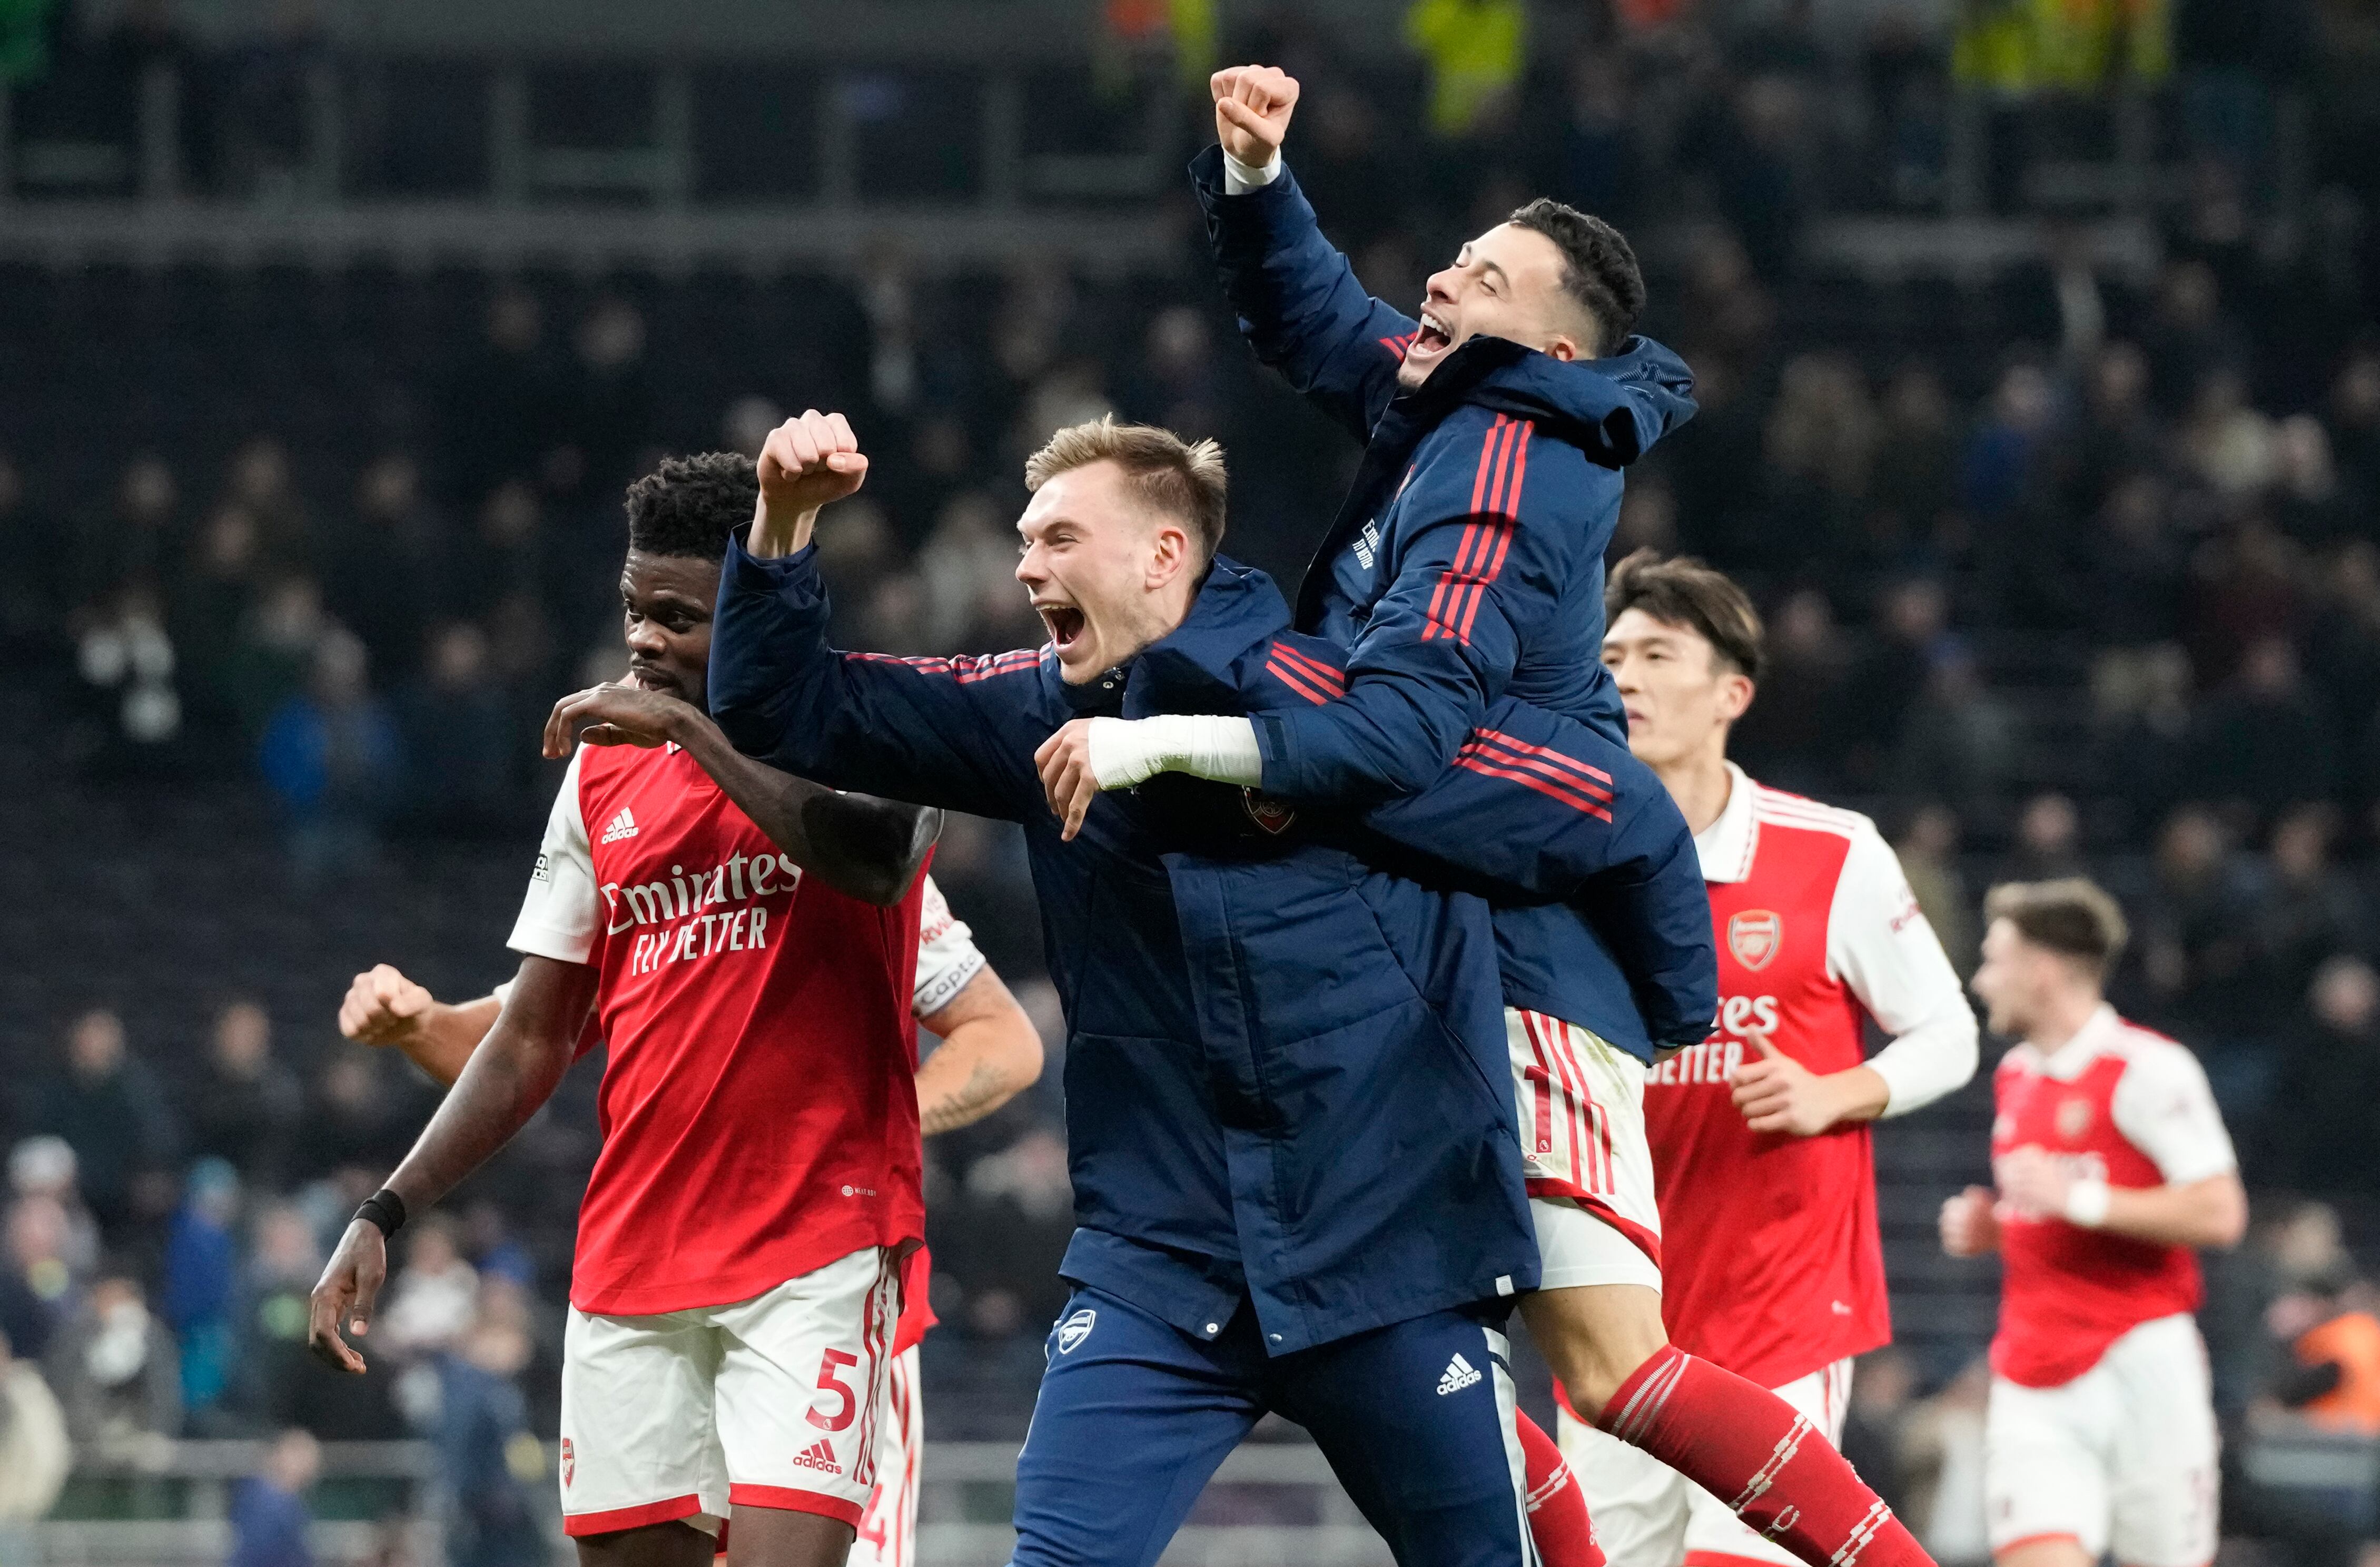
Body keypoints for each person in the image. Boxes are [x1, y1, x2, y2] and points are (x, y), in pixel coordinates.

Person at [703, 409, 1928, 1565]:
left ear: (1162, 552)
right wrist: (777, 533)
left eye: (1059, 537)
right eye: (1025, 540)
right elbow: (780, 702)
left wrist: (1665, 1016)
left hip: (1385, 1264)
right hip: (1161, 1266)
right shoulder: (1032, 707)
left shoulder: (1362, 712)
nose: (1026, 566)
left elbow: (1614, 814)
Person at [1047, 64, 1934, 1567]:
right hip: (1444, 944)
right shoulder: (1455, 402)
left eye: (1488, 276)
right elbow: (1321, 320)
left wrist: (1196, 745)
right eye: (1459, 259)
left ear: (1557, 341)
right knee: (1417, 1349)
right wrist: (1259, 176)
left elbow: (1408, 728)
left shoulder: (1510, 462)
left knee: (1610, 1365)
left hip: (1527, 960)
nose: (1444, 277)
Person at [306, 452, 961, 1567]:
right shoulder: (600, 775)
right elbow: (532, 1038)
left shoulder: (865, 713)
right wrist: (385, 1210)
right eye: (631, 610)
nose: (645, 640)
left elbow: (882, 859)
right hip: (634, 1259)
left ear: (756, 609)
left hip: (816, 1249)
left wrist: (694, 737)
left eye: (679, 616)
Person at [336, 876, 1041, 1567]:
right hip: (666, 1307)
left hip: (828, 1300)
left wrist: (858, 1133)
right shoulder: (640, 857)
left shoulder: (840, 838)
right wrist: (418, 1024)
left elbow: (1004, 1037)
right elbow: (503, 1049)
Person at [1565, 551, 1979, 1563]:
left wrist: (1839, 1090)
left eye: (1658, 654)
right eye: (1611, 654)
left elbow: (1950, 1033)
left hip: (1780, 1314)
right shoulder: (1562, 859)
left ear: (1731, 694)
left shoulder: (1830, 853)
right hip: (1617, 1317)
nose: (1624, 676)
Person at [1941, 879, 2247, 1567]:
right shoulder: (2016, 1075)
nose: (1982, 981)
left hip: (2142, 1363)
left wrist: (2080, 1201)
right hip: (2033, 1373)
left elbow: (2220, 1212)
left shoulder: (2148, 1069)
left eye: (1994, 960)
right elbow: (2047, 1204)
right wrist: (1998, 1226)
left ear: (2043, 970)